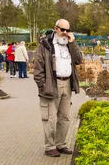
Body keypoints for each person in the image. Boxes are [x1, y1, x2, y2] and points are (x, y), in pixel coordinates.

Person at [34, 19, 83, 157]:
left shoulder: (69, 44)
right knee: (50, 118)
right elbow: (38, 69)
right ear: (56, 29)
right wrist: (43, 86)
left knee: (65, 117)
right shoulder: (45, 45)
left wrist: (73, 42)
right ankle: (49, 147)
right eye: (63, 30)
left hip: (67, 84)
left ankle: (61, 144)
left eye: (68, 30)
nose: (65, 33)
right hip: (51, 85)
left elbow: (79, 59)